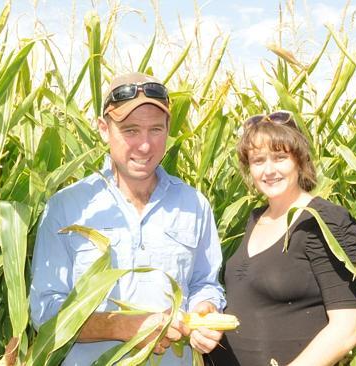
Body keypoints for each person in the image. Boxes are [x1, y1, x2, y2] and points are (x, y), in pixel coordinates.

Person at [29, 72, 226, 365]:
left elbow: (205, 283)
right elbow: (45, 311)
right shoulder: (67, 207)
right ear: (104, 129)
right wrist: (124, 326)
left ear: (169, 128)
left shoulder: (194, 205)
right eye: (131, 130)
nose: (145, 146)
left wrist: (206, 310)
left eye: (156, 130)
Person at [206, 111, 356, 366]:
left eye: (280, 158)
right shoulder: (254, 219)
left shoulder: (324, 221)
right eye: (258, 161)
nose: (269, 170)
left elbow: (347, 330)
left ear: (300, 161)